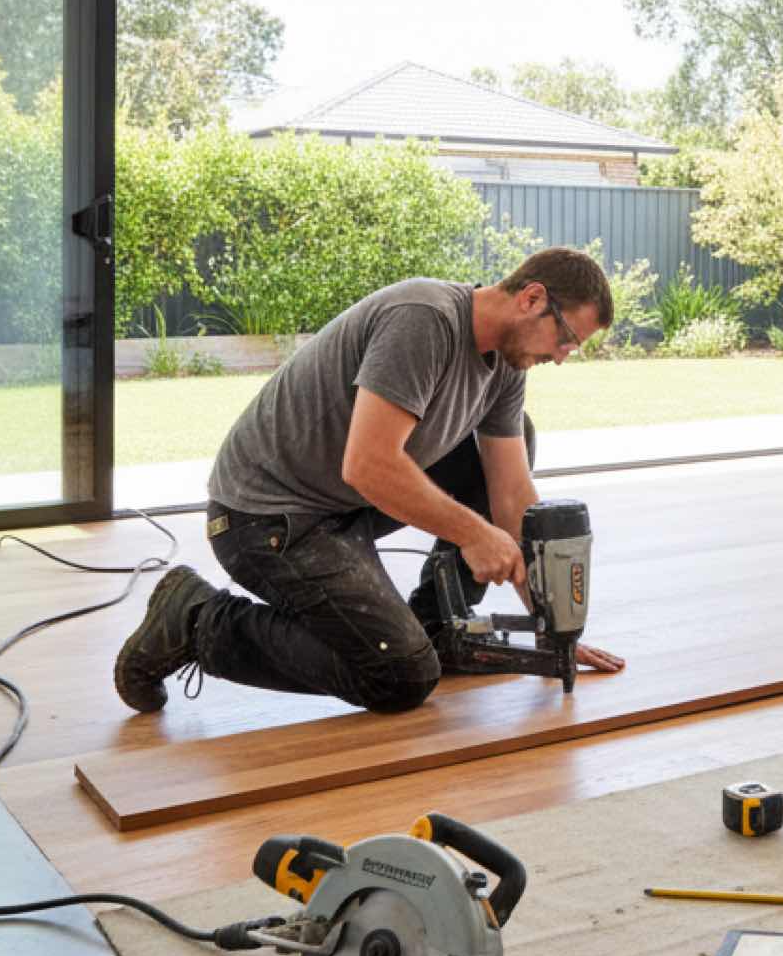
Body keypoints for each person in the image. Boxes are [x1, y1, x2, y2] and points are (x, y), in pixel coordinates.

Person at [113, 248, 625, 716]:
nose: (561, 356)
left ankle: (436, 626)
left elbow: (511, 494)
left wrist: (550, 625)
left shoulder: (506, 366)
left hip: (342, 503)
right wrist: (475, 535)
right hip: (265, 517)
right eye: (566, 339)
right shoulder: (424, 321)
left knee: (506, 448)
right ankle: (195, 620)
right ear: (532, 298)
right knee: (399, 676)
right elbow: (369, 466)